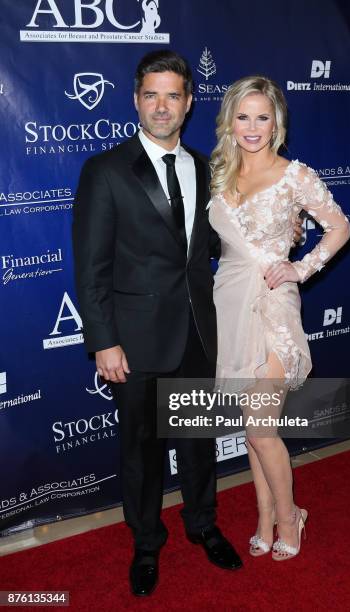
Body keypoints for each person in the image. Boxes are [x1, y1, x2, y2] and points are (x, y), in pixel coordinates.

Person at [72, 50, 244, 598]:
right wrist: (104, 341)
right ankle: (147, 543)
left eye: (173, 95)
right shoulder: (106, 170)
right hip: (137, 339)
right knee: (142, 451)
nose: (162, 105)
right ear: (136, 101)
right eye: (152, 95)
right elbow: (92, 266)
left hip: (199, 331)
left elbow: (213, 245)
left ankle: (203, 525)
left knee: (198, 441)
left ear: (190, 103)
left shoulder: (206, 167)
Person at [208, 76, 350, 561]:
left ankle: (291, 516)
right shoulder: (221, 175)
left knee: (260, 428)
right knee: (252, 428)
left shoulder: (296, 176)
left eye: (262, 117)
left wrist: (301, 266)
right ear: (230, 121)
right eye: (243, 116)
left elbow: (339, 227)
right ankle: (264, 516)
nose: (252, 127)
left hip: (272, 307)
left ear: (277, 123)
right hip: (229, 302)